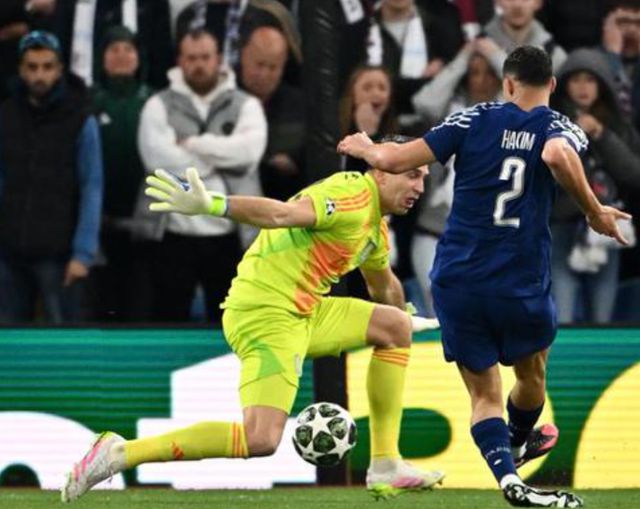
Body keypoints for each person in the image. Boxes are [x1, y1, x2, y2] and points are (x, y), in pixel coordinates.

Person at [60, 136, 445, 503]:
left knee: (393, 328)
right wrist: (213, 205)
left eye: (424, 178)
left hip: (305, 310)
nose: (420, 187)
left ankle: (386, 464)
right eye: (412, 174)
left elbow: (384, 284)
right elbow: (281, 214)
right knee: (261, 439)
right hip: (265, 311)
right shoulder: (350, 195)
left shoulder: (374, 227)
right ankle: (120, 453)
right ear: (381, 171)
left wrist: (407, 316)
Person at [338, 45, 632, 507]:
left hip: (458, 277)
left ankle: (508, 476)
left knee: (483, 395)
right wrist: (594, 211)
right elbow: (557, 155)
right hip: (520, 280)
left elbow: (395, 160)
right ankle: (514, 441)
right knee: (531, 376)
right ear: (553, 85)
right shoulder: (559, 125)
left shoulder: (471, 118)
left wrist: (366, 148)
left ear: (507, 83)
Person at [135, 28, 266, 323]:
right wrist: (220, 158)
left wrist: (194, 144)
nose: (199, 65)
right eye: (191, 58)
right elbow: (158, 161)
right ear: (180, 61)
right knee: (168, 322)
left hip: (231, 234)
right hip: (172, 233)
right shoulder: (157, 105)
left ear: (219, 59)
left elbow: (248, 153)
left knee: (231, 325)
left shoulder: (246, 105)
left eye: (205, 57)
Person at [0, 30, 103, 323]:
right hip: (8, 253)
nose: (39, 75)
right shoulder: (5, 116)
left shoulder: (81, 119)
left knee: (64, 337)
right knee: (7, 340)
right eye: (32, 67)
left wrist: (83, 253)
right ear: (21, 70)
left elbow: (92, 186)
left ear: (59, 69)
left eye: (47, 67)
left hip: (59, 255)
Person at [551, 48, 640, 323]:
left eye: (590, 80)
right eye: (576, 79)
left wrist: (601, 135)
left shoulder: (618, 124)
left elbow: (633, 173)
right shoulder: (550, 122)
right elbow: (548, 175)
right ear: (564, 84)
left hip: (606, 230)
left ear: (602, 84)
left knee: (602, 318)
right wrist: (573, 136)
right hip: (561, 228)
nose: (583, 87)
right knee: (562, 317)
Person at [90, 25, 155, 321]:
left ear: (138, 57)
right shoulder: (89, 102)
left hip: (144, 228)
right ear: (101, 58)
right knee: (102, 306)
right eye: (114, 49)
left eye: (128, 49)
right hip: (99, 225)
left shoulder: (154, 101)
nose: (121, 55)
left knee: (140, 306)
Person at [238, 25, 305, 202]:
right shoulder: (223, 97)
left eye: (273, 67)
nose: (264, 74)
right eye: (259, 64)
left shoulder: (299, 107)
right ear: (244, 56)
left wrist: (294, 161)